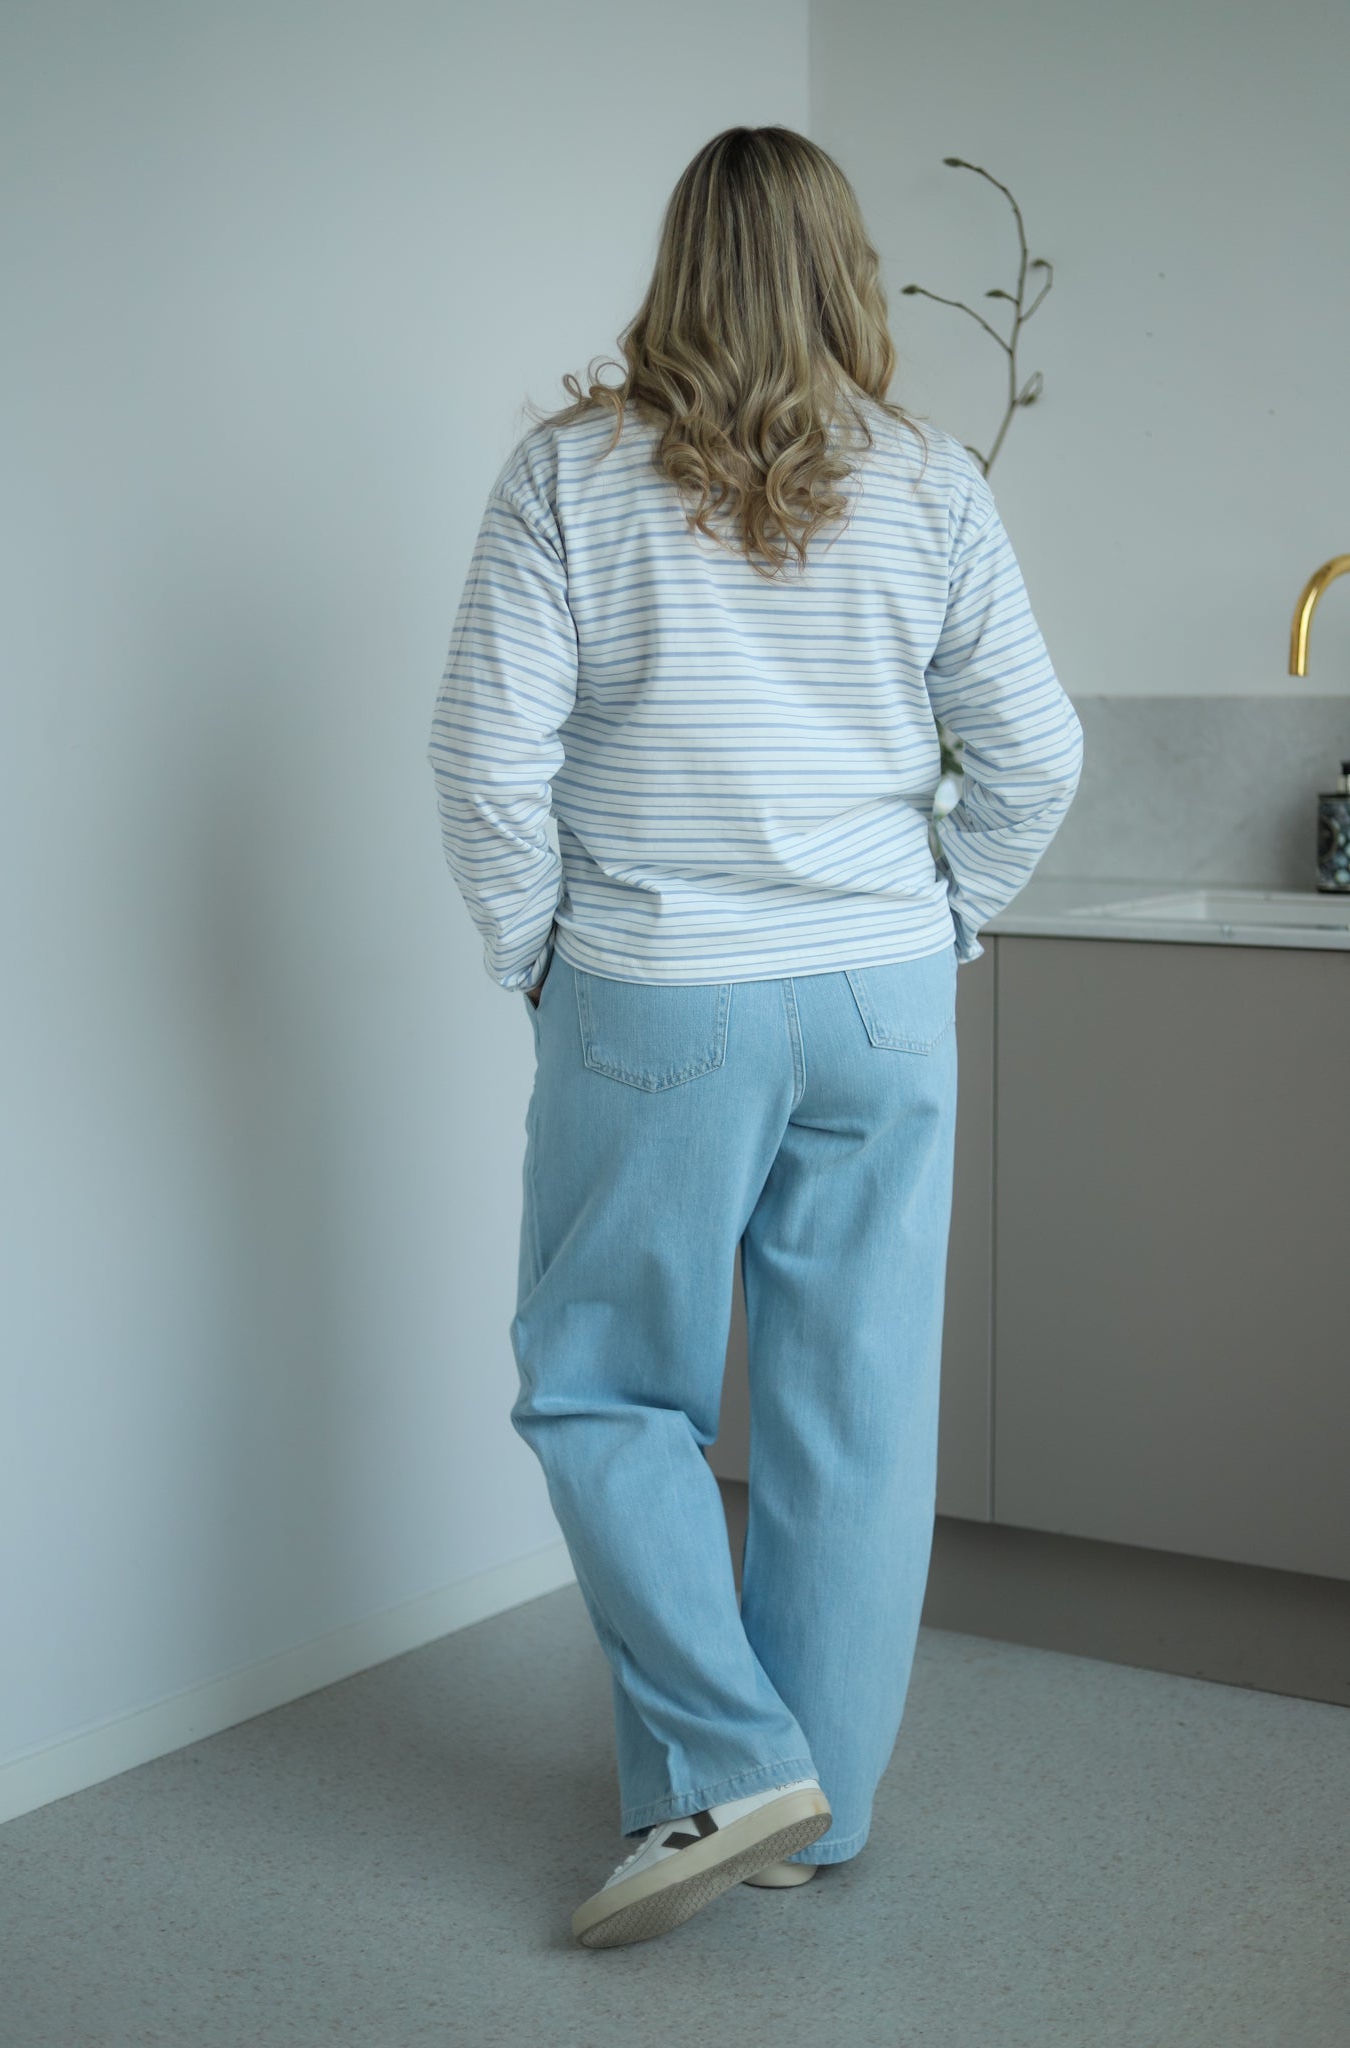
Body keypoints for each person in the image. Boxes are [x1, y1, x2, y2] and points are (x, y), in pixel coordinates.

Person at [427, 124, 1084, 1950]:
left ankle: (731, 1761)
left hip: (660, 990)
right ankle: (810, 1813)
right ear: (846, 272)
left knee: (600, 1386)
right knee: (850, 1408)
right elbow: (1035, 753)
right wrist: (943, 917)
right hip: (880, 998)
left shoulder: (569, 477)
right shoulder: (928, 479)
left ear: (679, 267)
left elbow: (484, 763)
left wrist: (540, 957)